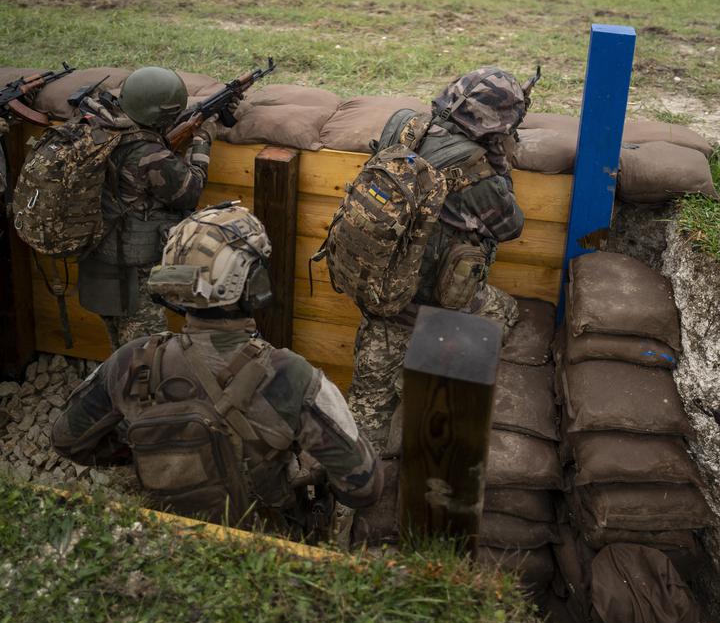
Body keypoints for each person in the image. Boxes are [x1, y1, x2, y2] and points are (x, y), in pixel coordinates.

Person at [52, 202, 382, 539]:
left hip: (167, 533)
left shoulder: (132, 360)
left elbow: (67, 440)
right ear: (249, 283)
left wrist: (156, 451)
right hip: (264, 547)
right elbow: (364, 486)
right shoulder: (289, 375)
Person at [347, 66, 532, 456]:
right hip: (436, 308)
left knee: (361, 432)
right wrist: (500, 159)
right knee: (508, 312)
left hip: (378, 297)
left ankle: (339, 513)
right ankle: (430, 379)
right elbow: (511, 225)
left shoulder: (402, 125)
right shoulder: (476, 170)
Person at [76, 66, 217, 349]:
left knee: (120, 343)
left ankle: (117, 386)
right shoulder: (148, 154)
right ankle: (136, 392)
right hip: (131, 266)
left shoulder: (99, 125)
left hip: (96, 253)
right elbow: (190, 192)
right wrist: (203, 142)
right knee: (145, 356)